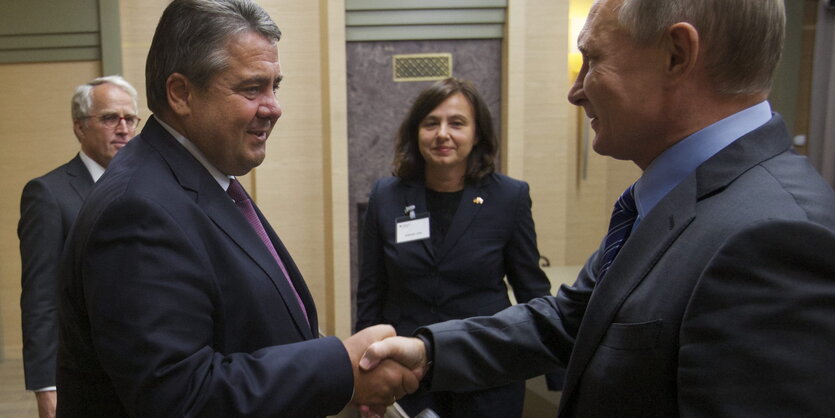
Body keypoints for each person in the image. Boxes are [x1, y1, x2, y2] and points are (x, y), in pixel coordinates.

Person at [359, 0, 835, 416]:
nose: (576, 89)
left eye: (592, 59)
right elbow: (573, 319)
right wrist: (428, 352)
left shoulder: (774, 237)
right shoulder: (669, 198)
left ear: (676, 55)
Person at [56, 1, 419, 416]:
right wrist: (339, 370)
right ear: (181, 93)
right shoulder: (138, 209)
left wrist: (338, 381)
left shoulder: (198, 181)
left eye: (274, 86)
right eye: (252, 88)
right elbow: (180, 397)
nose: (274, 107)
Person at [355, 77, 553, 417]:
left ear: (477, 135)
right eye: (431, 123)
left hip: (486, 369)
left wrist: (562, 373)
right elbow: (371, 292)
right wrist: (365, 374)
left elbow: (532, 290)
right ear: (416, 133)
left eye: (457, 123)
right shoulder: (385, 196)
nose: (442, 133)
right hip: (407, 373)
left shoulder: (510, 197)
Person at [18, 75, 139, 418]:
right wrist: (46, 386)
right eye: (109, 118)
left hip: (147, 372)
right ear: (80, 127)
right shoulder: (48, 194)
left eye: (130, 118)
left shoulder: (149, 187)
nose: (123, 128)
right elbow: (40, 299)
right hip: (85, 378)